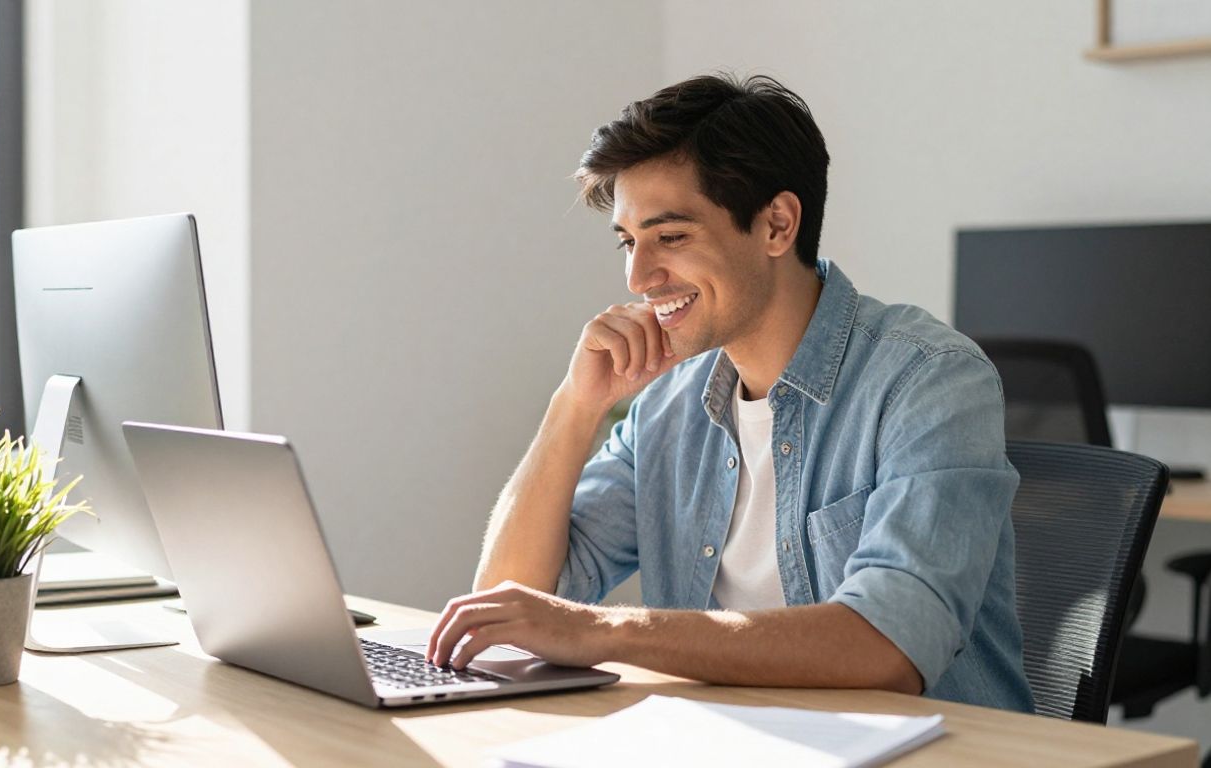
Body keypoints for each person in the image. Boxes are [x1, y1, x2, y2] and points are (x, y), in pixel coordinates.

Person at [425, 73, 1033, 712]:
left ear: (776, 224)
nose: (639, 276)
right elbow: (507, 608)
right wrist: (574, 406)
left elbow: (891, 645)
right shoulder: (667, 403)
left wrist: (606, 630)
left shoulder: (929, 379)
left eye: (671, 237)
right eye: (629, 243)